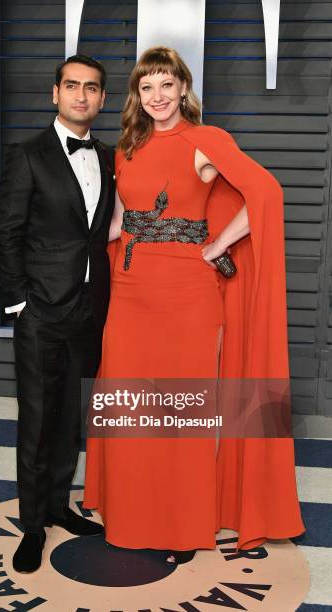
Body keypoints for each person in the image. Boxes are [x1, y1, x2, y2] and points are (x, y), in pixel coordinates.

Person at [83, 46, 305, 564]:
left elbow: (265, 194)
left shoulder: (206, 140)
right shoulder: (129, 146)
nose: (158, 97)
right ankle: (132, 514)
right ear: (137, 96)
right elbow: (119, 221)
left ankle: (181, 524)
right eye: (147, 87)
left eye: (167, 84)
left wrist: (217, 245)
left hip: (187, 295)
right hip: (131, 290)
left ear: (183, 87)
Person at [0, 54, 115, 573]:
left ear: (103, 99)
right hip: (40, 310)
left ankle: (60, 504)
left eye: (91, 88)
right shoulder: (28, 154)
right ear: (54, 94)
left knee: (70, 419)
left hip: (90, 311)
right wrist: (20, 302)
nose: (81, 95)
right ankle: (32, 525)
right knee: (37, 420)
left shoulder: (110, 156)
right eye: (71, 86)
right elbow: (7, 233)